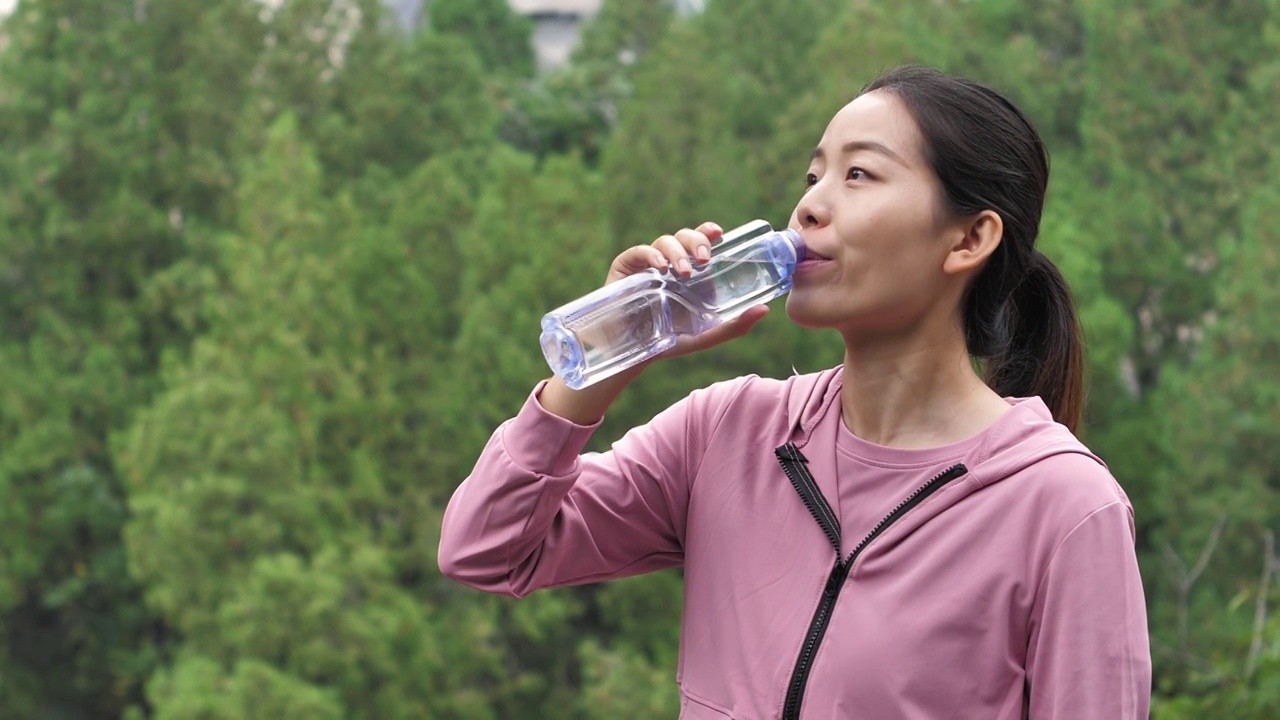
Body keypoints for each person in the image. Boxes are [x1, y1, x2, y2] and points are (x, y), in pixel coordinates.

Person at [437, 65, 1151, 719]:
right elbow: (486, 550)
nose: (809, 206)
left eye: (860, 175)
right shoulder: (727, 433)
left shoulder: (1061, 508)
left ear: (968, 239)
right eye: (814, 175)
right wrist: (613, 347)